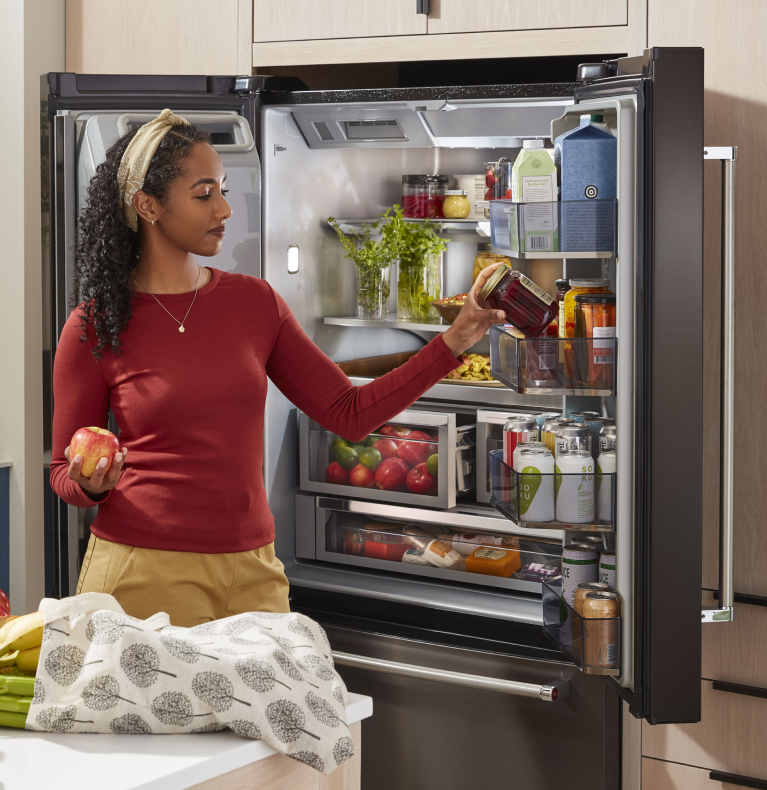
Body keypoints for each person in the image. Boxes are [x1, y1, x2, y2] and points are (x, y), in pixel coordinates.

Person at [49, 109, 506, 626]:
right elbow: (62, 473)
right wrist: (92, 485)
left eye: (222, 189)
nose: (223, 208)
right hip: (142, 571)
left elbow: (349, 412)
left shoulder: (253, 303)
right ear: (148, 205)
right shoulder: (96, 324)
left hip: (252, 570)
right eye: (203, 195)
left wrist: (455, 340)